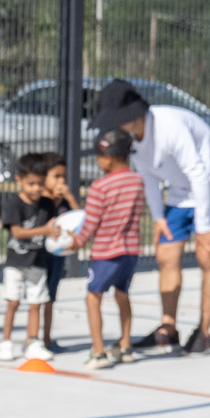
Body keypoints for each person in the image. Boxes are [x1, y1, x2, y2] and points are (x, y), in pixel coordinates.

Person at [94, 82, 210, 356]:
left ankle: (204, 332)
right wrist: (158, 217)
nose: (112, 127)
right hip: (180, 192)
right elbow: (147, 176)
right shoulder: (130, 139)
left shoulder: (170, 126)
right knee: (166, 255)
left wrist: (205, 227)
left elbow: (199, 175)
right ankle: (168, 328)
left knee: (207, 256)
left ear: (136, 116)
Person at [68, 128, 144, 369]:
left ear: (108, 157)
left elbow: (91, 222)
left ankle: (99, 351)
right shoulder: (137, 181)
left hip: (106, 253)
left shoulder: (100, 187)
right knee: (122, 295)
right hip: (130, 251)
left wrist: (77, 241)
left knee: (93, 297)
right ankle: (125, 345)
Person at [0, 151, 61, 362]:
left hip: (37, 263)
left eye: (40, 184)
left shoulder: (47, 205)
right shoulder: (15, 204)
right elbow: (17, 233)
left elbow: (55, 227)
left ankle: (33, 341)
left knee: (36, 304)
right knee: (13, 302)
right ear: (19, 180)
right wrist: (44, 230)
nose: (36, 189)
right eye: (31, 184)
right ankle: (6, 342)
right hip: (16, 263)